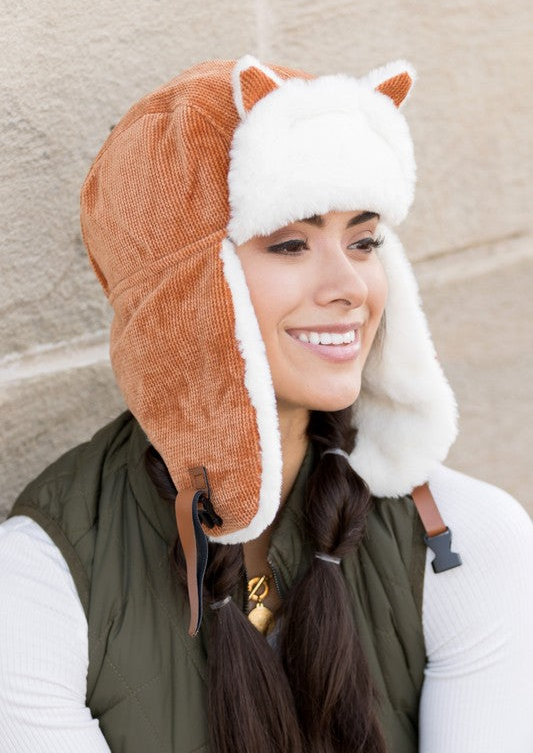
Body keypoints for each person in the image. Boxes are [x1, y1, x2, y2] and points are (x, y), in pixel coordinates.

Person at [0, 55, 532, 753]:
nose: (349, 286)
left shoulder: (461, 540)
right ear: (184, 290)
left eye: (363, 240)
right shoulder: (36, 584)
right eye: (290, 244)